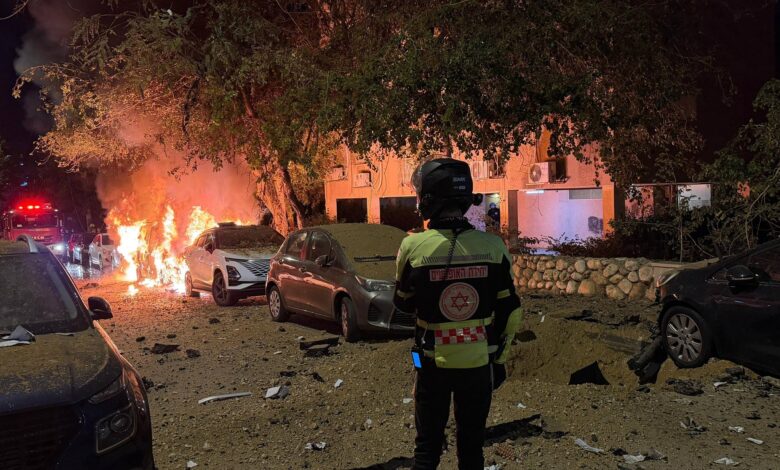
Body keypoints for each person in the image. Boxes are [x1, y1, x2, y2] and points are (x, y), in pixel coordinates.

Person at [394, 158, 523, 470]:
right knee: (472, 450)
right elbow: (511, 312)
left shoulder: (412, 247)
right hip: (479, 365)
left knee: (427, 450)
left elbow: (403, 303)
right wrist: (500, 361)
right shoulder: (494, 247)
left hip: (429, 362)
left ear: (428, 199)